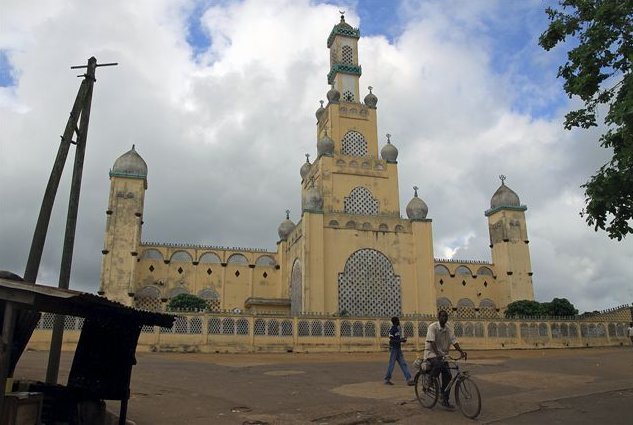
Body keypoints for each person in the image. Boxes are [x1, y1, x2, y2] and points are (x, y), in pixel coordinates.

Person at [419, 310, 466, 408]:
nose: (444, 318)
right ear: (438, 317)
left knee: (448, 376)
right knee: (439, 364)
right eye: (442, 316)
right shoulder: (432, 327)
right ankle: (430, 380)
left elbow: (454, 341)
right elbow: (431, 342)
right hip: (431, 353)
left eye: (446, 316)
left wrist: (461, 351)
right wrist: (437, 354)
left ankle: (445, 399)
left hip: (443, 355)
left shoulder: (449, 328)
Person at [384, 316, 414, 386]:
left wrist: (402, 339)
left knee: (403, 363)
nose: (399, 322)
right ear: (396, 322)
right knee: (391, 364)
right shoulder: (392, 329)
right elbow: (391, 340)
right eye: (398, 321)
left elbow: (396, 339)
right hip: (394, 349)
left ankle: (408, 379)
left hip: (398, 349)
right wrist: (400, 340)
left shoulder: (397, 330)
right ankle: (387, 379)